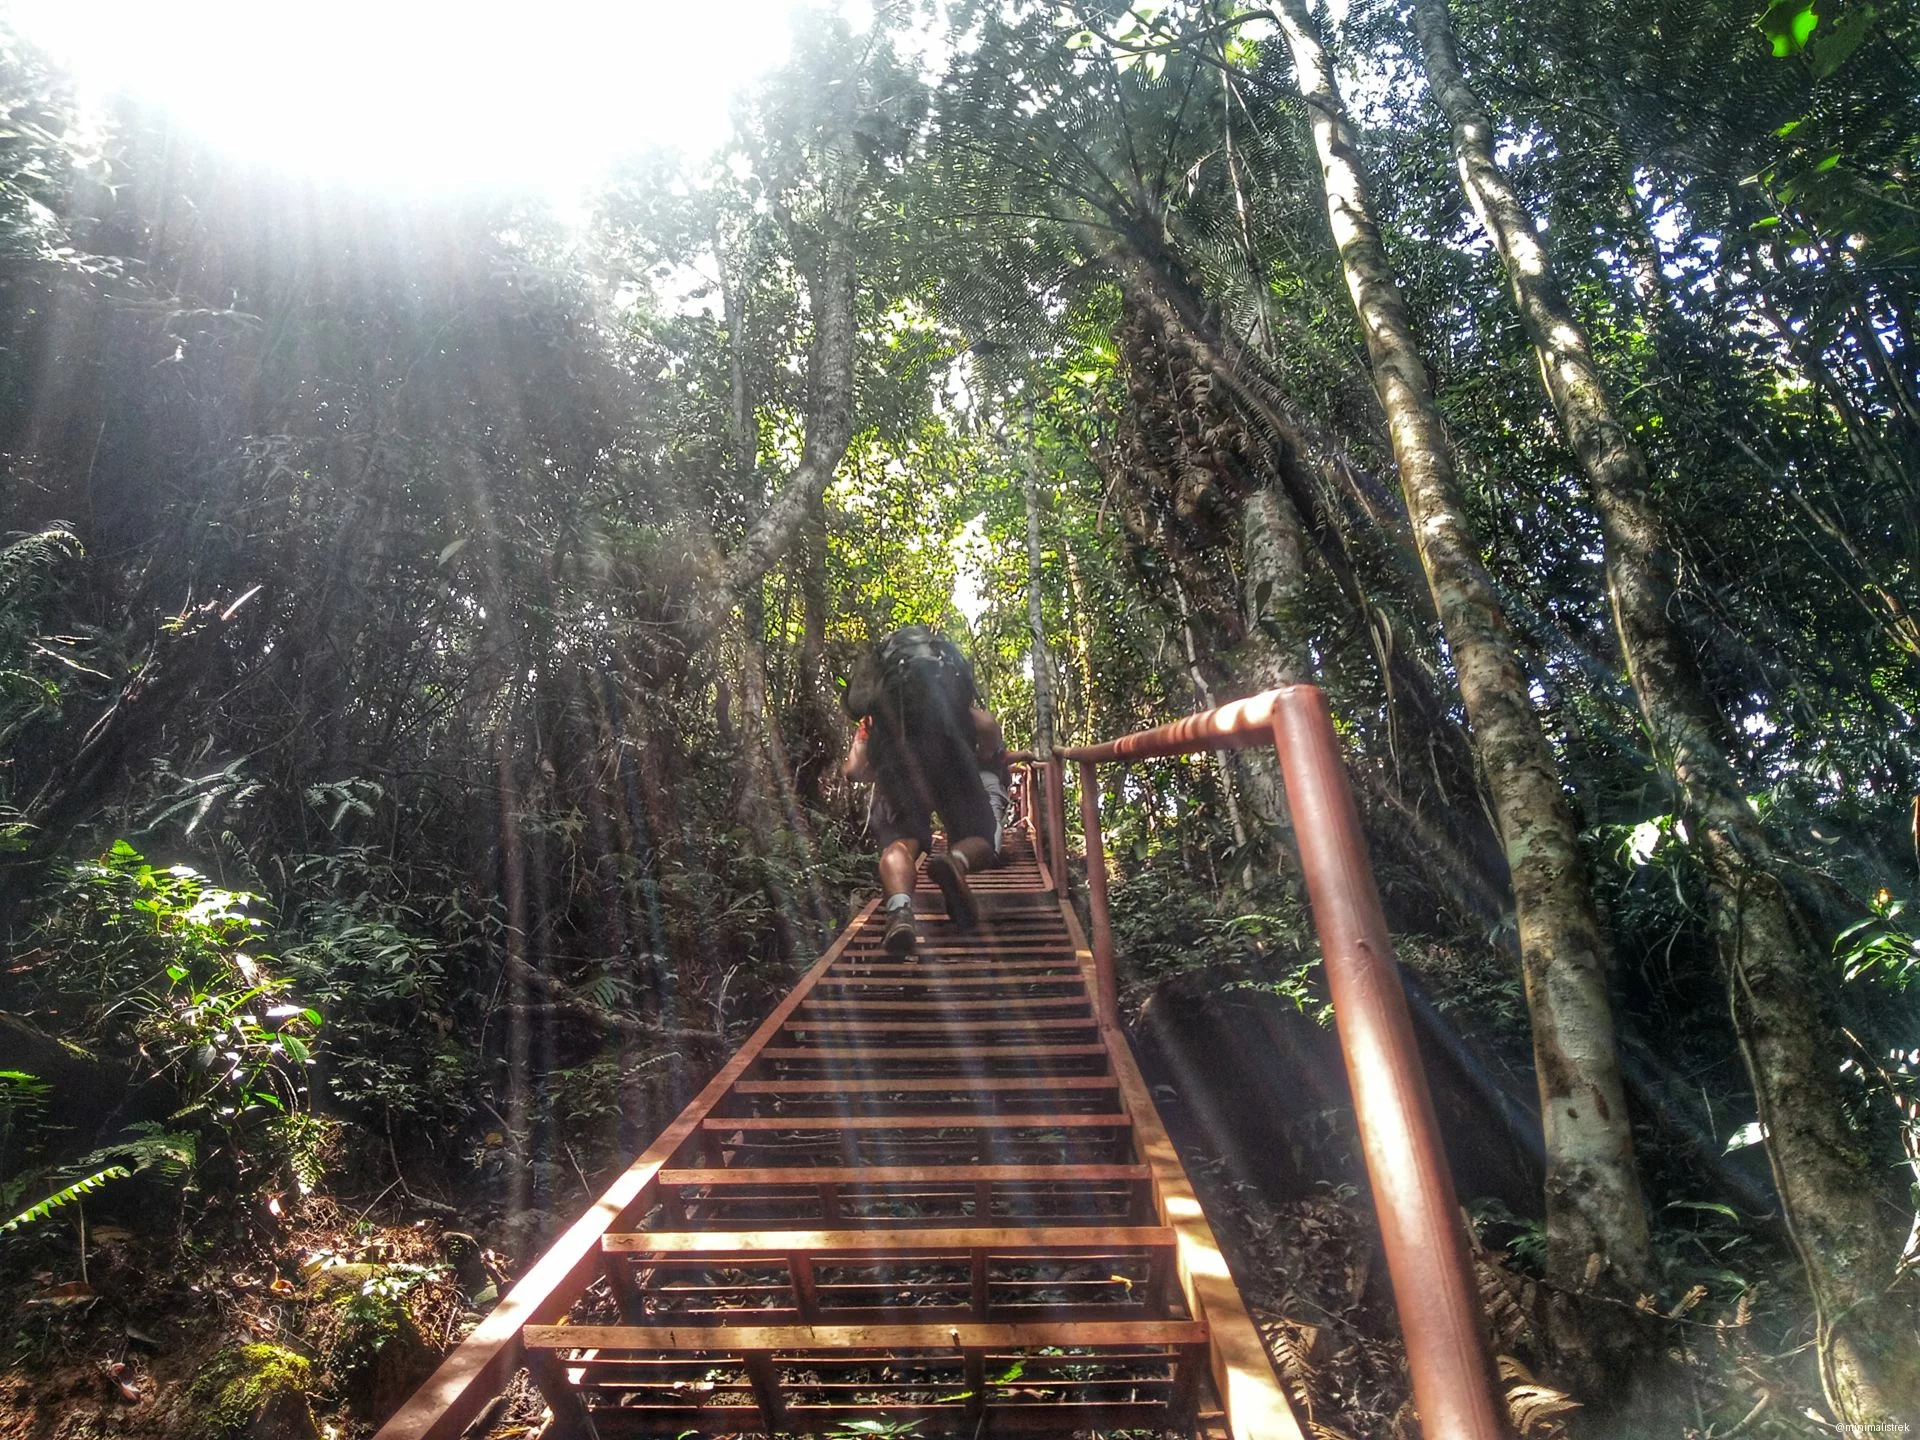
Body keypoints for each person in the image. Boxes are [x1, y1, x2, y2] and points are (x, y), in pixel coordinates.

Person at [842, 625, 1008, 955]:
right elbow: (987, 726)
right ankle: (957, 862)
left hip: (896, 760)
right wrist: (988, 756)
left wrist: (883, 767)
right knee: (982, 837)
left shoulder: (876, 717)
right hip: (951, 754)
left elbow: (854, 770)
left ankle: (900, 912)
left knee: (901, 841)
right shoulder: (946, 695)